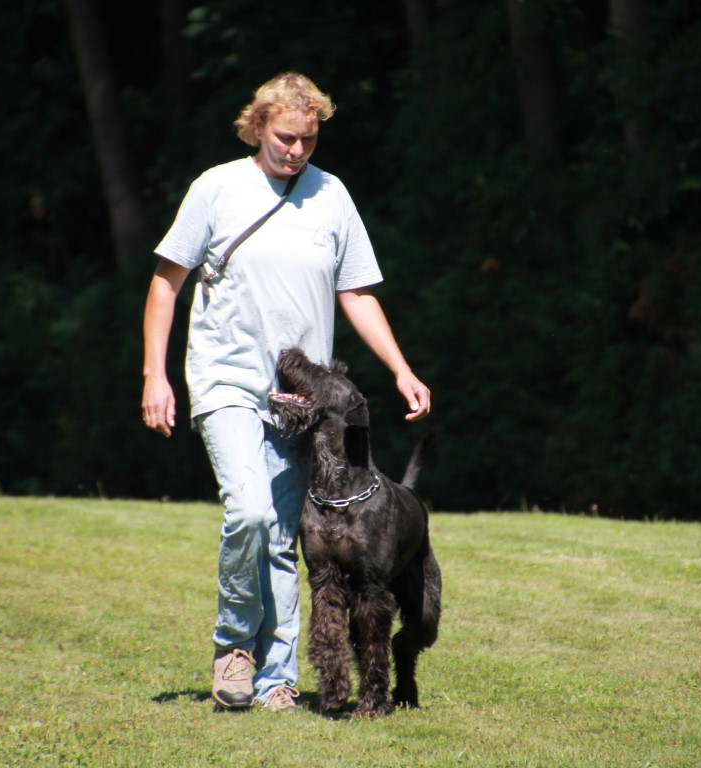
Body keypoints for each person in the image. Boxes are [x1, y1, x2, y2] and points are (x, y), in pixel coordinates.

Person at [140, 72, 430, 712]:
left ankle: (276, 681)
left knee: (280, 537)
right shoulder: (215, 189)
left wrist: (401, 368)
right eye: (285, 138)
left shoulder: (332, 196)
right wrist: (154, 374)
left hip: (303, 404)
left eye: (309, 139)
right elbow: (166, 283)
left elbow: (357, 292)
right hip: (227, 380)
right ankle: (233, 649)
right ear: (257, 127)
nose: (297, 150)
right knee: (249, 512)